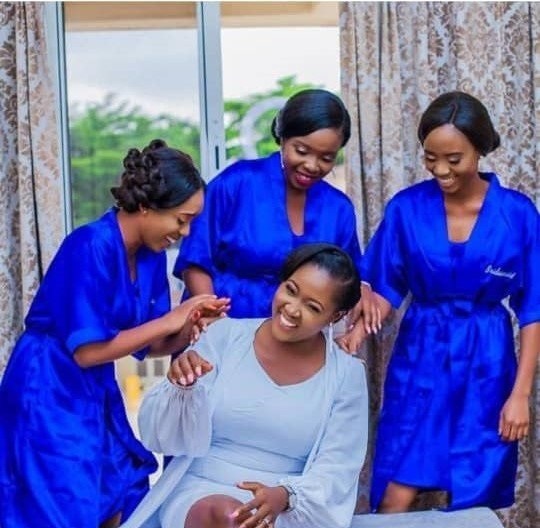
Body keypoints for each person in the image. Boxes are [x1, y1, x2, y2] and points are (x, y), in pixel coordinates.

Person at [0, 139, 230, 528]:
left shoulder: (150, 256)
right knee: (64, 500)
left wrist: (188, 325)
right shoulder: (89, 245)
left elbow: (152, 345)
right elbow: (86, 352)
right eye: (181, 219)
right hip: (48, 386)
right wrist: (173, 318)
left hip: (95, 388)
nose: (185, 231)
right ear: (147, 206)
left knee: (124, 486)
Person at [340, 91, 540, 513]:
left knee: (474, 489)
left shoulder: (518, 214)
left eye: (454, 159)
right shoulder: (406, 208)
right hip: (421, 356)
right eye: (431, 158)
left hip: (487, 362)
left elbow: (533, 310)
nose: (441, 170)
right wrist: (358, 329)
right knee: (396, 487)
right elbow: (384, 286)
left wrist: (520, 395)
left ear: (480, 150)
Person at [120, 243, 369, 528]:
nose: (292, 309)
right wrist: (181, 388)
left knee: (246, 519)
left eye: (312, 307)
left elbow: (338, 467)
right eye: (290, 290)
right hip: (201, 491)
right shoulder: (225, 337)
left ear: (335, 316)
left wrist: (285, 496)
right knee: (231, 516)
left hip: (289, 507)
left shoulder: (347, 375)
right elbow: (162, 439)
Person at [174, 88, 376, 324]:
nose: (312, 165)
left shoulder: (339, 209)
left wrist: (363, 289)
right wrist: (215, 321)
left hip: (297, 334)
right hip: (223, 325)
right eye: (301, 151)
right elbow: (196, 259)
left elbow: (347, 278)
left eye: (326, 158)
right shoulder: (236, 182)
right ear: (283, 137)